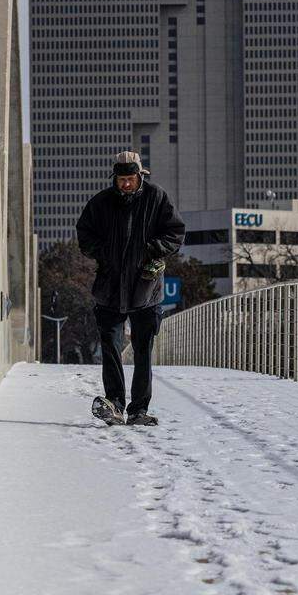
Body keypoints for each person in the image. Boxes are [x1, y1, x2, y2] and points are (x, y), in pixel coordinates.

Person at [76, 151, 185, 425]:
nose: (125, 184)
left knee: (143, 350)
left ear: (140, 176)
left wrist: (152, 250)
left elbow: (175, 232)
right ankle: (114, 403)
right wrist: (103, 252)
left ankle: (138, 410)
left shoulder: (157, 198)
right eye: (121, 179)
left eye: (130, 179)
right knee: (111, 346)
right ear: (115, 178)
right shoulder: (101, 202)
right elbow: (84, 233)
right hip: (109, 288)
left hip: (146, 288)